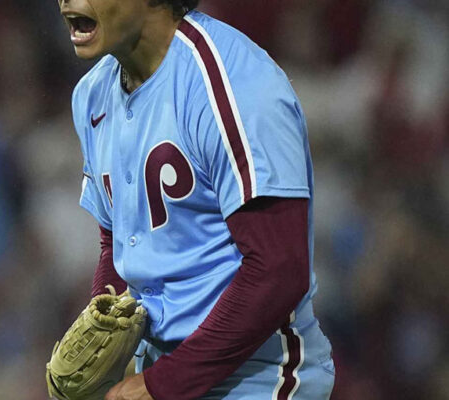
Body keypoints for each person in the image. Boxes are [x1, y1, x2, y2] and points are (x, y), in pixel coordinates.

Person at [57, 0, 336, 398]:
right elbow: (116, 242)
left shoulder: (233, 82)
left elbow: (278, 270)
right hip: (166, 368)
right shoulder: (92, 94)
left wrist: (160, 385)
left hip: (260, 375)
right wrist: (105, 324)